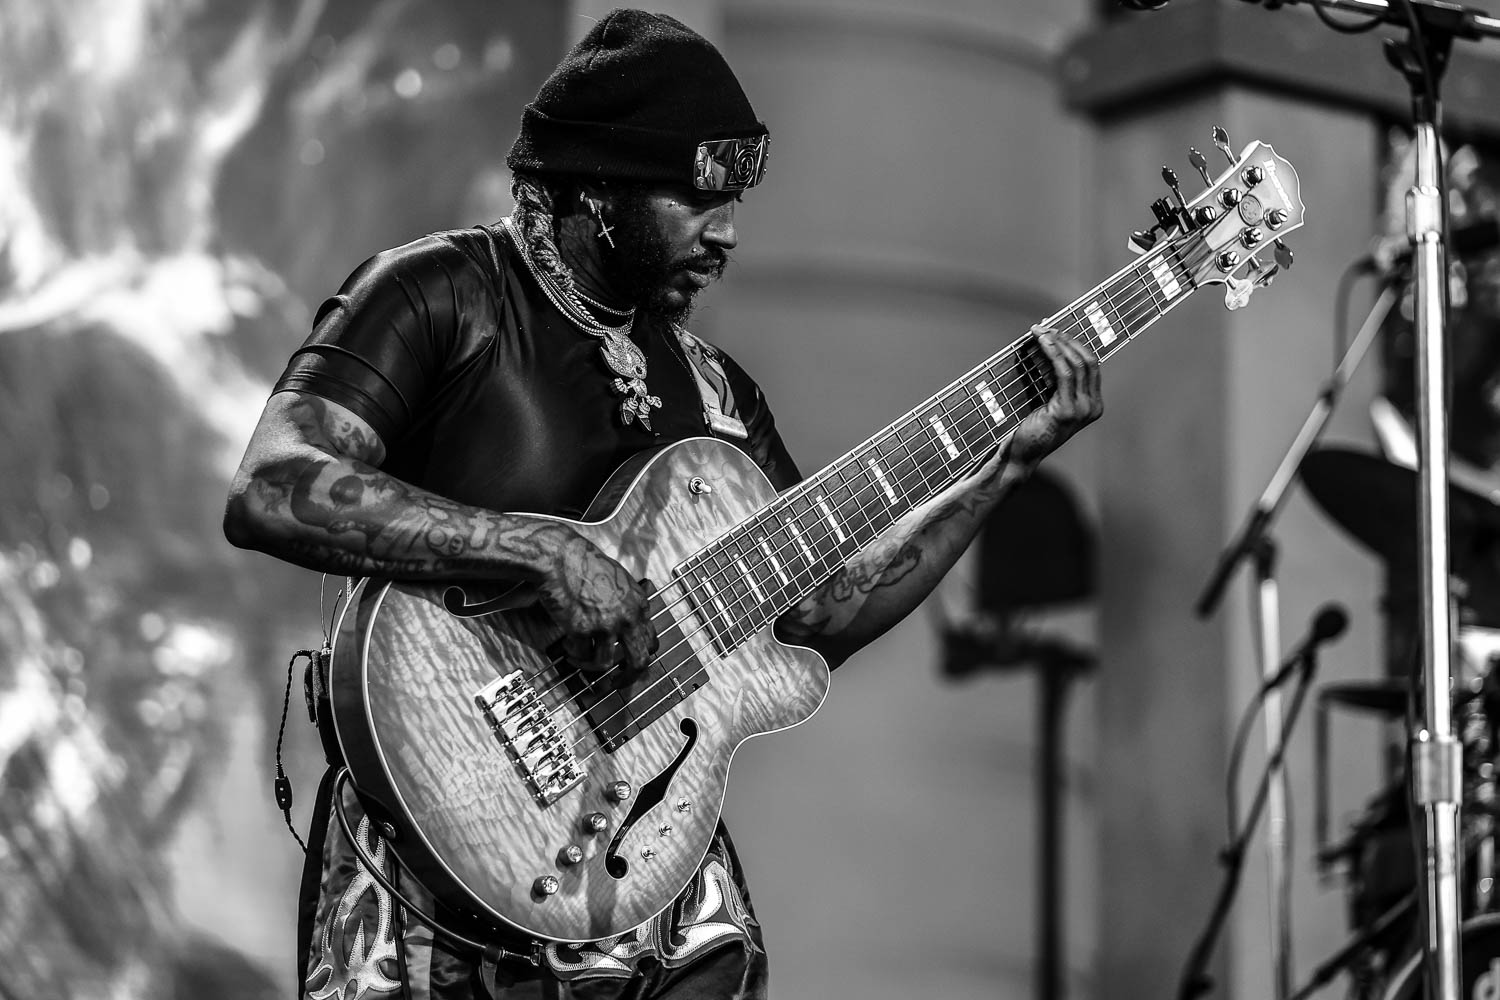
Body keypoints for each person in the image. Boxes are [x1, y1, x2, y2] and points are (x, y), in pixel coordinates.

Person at [223, 9, 1102, 999]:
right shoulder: (442, 293)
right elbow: (274, 485)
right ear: (597, 191)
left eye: (731, 204)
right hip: (433, 870)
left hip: (643, 880)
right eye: (695, 200)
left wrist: (1000, 470)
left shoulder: (715, 393)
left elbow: (824, 609)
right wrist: (541, 553)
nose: (725, 233)